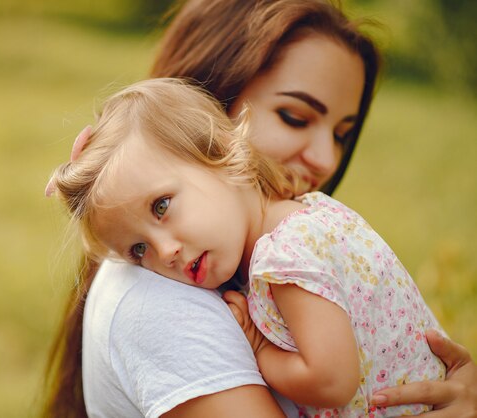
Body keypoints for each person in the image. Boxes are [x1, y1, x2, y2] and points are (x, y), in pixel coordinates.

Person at [42, 1, 477, 417]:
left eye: (343, 134)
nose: (326, 160)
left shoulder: (279, 250)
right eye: (294, 116)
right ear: (210, 119)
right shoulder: (160, 301)